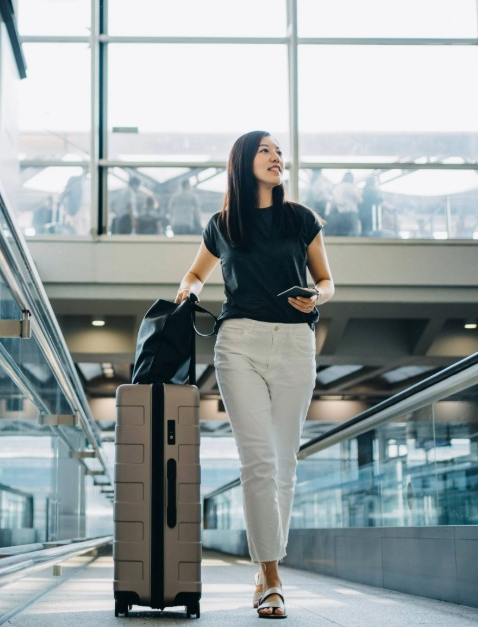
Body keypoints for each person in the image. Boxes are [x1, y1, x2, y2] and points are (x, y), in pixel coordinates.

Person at [174, 131, 334, 620]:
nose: (276, 158)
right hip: (238, 343)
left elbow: (327, 280)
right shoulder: (222, 225)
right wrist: (187, 292)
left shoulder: (300, 219)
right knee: (258, 461)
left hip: (294, 344)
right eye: (265, 150)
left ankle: (267, 567)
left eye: (279, 152)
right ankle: (270, 576)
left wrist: (319, 296)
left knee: (285, 463)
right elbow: (195, 274)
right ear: (243, 162)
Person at [330, 172, 362, 236]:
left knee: (343, 234)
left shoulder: (337, 187)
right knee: (354, 233)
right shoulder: (351, 187)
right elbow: (359, 200)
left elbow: (334, 200)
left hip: (340, 213)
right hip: (351, 212)